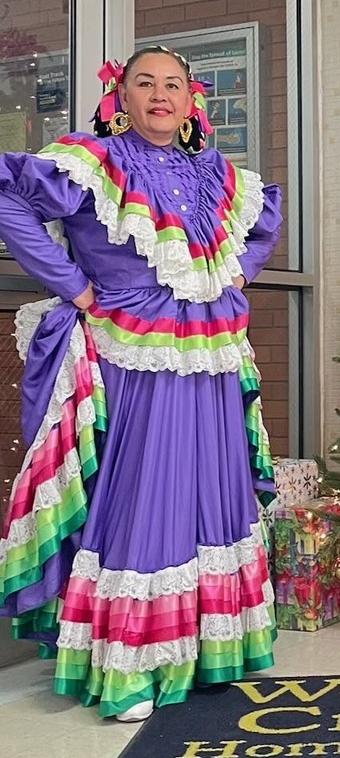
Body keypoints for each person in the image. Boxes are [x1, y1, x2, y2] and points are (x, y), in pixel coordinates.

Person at [0, 47, 282, 720]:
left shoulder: (218, 173)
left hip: (212, 351)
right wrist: (74, 286)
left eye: (174, 85)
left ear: (192, 101)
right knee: (143, 493)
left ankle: (206, 651)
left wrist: (239, 271)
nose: (160, 95)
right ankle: (130, 665)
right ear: (120, 96)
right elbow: (9, 196)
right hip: (131, 352)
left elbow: (262, 221)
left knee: (212, 491)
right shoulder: (91, 163)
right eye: (145, 83)